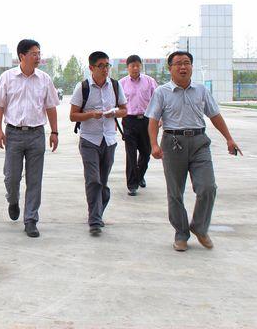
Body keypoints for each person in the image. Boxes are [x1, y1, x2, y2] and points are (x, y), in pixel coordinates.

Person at [145, 51, 242, 252]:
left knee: (208, 187)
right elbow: (153, 120)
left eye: (187, 63)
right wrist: (154, 144)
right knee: (175, 192)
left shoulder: (201, 90)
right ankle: (181, 233)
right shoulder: (162, 92)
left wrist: (229, 138)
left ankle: (199, 227)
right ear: (170, 68)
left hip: (199, 143)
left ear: (191, 66)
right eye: (178, 63)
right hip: (173, 143)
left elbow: (215, 115)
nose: (183, 67)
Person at [0, 39, 59, 238]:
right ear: (22, 56)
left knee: (34, 179)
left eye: (39, 53)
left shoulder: (44, 79)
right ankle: (13, 200)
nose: (38, 57)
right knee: (11, 177)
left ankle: (31, 219)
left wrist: (54, 132)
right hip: (13, 133)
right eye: (34, 54)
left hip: (37, 134)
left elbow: (51, 107)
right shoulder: (7, 77)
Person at [69, 51, 127, 236]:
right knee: (93, 180)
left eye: (107, 65)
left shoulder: (115, 86)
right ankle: (94, 220)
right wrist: (90, 115)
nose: (105, 69)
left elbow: (124, 110)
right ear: (91, 68)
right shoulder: (83, 87)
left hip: (109, 140)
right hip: (89, 140)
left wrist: (114, 112)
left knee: (103, 182)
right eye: (101, 66)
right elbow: (73, 115)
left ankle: (98, 211)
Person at [118, 55, 158, 196]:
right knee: (131, 153)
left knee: (146, 152)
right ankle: (132, 184)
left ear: (141, 66)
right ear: (127, 67)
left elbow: (157, 102)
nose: (135, 68)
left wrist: (159, 119)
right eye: (132, 66)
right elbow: (116, 104)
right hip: (129, 121)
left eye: (137, 65)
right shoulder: (121, 84)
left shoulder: (150, 81)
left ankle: (140, 175)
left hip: (147, 121)